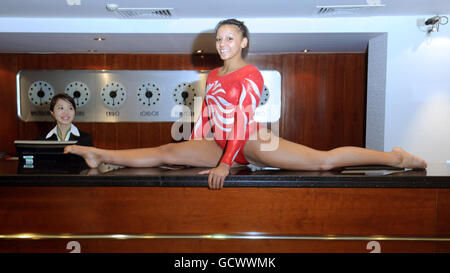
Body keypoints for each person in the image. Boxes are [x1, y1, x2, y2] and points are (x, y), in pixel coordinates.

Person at [64, 19, 427, 189]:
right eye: (219, 38)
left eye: (229, 38)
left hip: (251, 140)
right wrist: (197, 142)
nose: (222, 43)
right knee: (166, 151)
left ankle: (395, 156)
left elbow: (240, 121)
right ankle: (100, 154)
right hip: (220, 142)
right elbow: (207, 115)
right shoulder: (214, 75)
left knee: (323, 162)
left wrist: (225, 164)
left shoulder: (250, 74)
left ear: (243, 42)